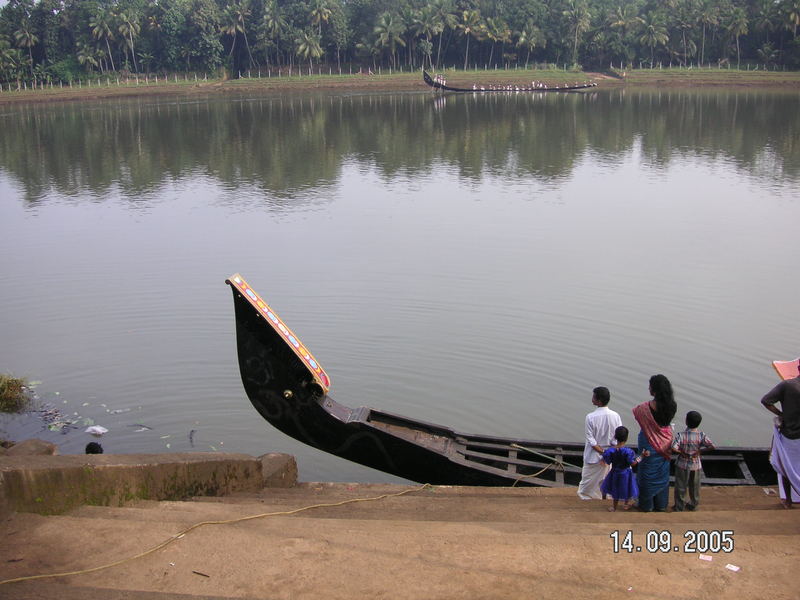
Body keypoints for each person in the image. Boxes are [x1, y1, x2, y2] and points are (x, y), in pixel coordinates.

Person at [632, 374, 677, 512]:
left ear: (655, 390)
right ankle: (661, 505)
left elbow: (636, 412)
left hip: (648, 444)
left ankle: (646, 505)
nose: (648, 388)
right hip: (665, 443)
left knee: (646, 473)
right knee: (662, 473)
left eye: (650, 386)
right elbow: (665, 425)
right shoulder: (672, 406)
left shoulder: (644, 408)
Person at [761, 360, 800, 508]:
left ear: (798, 368)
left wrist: (781, 414)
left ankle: (788, 501)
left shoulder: (787, 385)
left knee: (786, 467)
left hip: (790, 434)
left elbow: (766, 400)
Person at [577, 386, 622, 500]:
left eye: (594, 396)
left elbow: (591, 441)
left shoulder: (590, 417)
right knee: (606, 479)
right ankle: (606, 498)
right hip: (610, 455)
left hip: (594, 455)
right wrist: (608, 453)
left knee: (586, 486)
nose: (592, 398)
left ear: (599, 400)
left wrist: (603, 452)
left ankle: (589, 500)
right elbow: (617, 439)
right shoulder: (615, 416)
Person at [671, 411, 714, 511]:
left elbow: (673, 448)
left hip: (682, 464)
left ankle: (679, 506)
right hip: (696, 465)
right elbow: (712, 446)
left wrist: (681, 452)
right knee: (694, 486)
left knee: (681, 486)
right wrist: (699, 451)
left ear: (686, 421)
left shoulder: (681, 435)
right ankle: (693, 504)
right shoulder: (701, 435)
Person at [600, 426, 645, 511]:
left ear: (615, 437)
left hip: (615, 472)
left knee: (615, 488)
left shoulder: (610, 451)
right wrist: (641, 456)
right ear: (626, 438)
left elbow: (607, 461)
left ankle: (614, 507)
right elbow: (633, 463)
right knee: (627, 487)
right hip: (626, 472)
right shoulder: (628, 452)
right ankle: (626, 504)